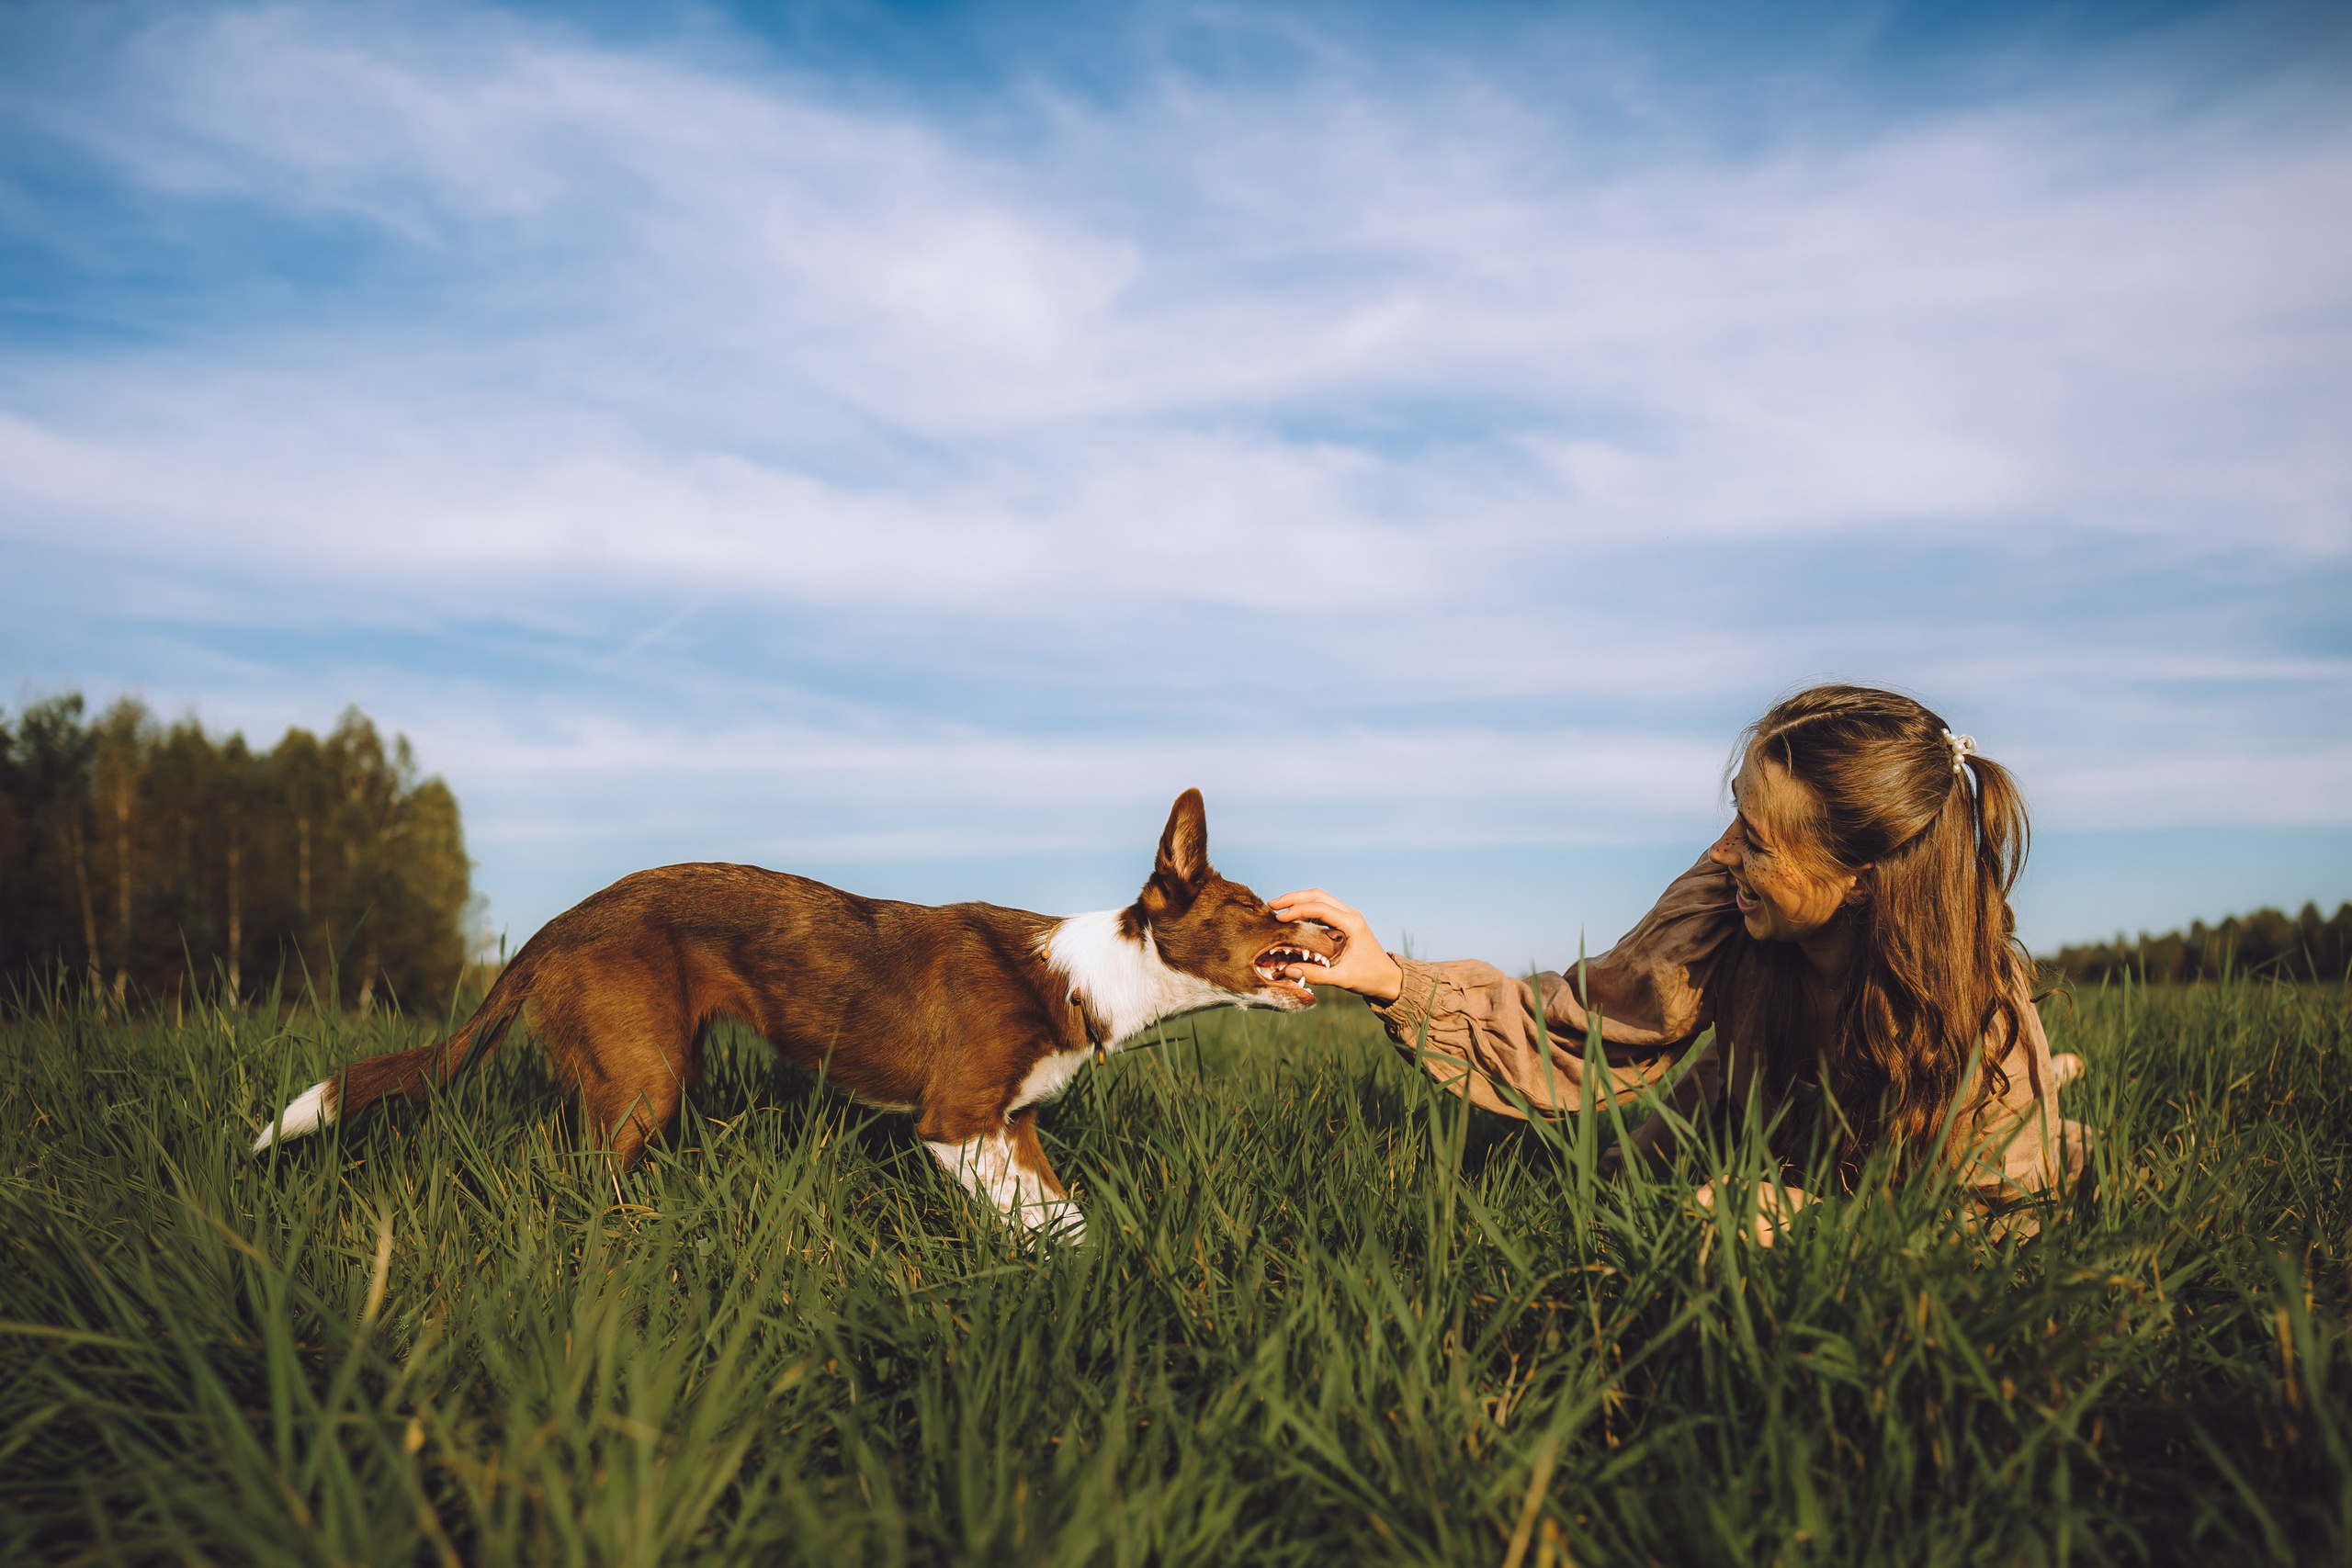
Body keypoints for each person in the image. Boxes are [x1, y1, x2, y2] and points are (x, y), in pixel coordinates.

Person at [1269, 684, 2088, 1235]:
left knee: (1734, 1218)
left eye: (1760, 842)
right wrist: (1387, 976)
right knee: (1606, 1188)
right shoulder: (1732, 901)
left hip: (1899, 1180)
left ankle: (2066, 1105)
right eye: (1737, 813)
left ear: (1862, 882)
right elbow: (1586, 1033)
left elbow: (2000, 1222)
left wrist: (1814, 1219)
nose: (1725, 852)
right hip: (1739, 1106)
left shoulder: (1979, 1013)